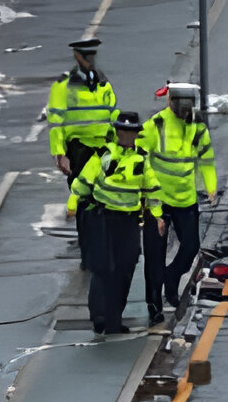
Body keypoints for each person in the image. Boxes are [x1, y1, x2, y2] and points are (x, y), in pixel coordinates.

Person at [67, 111, 153, 335]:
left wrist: (159, 213)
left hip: (129, 222)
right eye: (123, 132)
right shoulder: (103, 156)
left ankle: (114, 319)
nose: (127, 136)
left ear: (136, 134)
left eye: (131, 132)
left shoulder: (142, 159)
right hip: (104, 219)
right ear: (117, 133)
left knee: (125, 269)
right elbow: (82, 184)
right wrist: (73, 205)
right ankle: (100, 317)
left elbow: (151, 189)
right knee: (103, 268)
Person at [142, 82, 218, 326]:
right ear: (171, 103)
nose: (184, 112)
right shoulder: (156, 125)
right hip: (158, 201)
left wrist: (211, 187)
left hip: (185, 198)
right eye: (180, 107)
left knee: (191, 246)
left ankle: (171, 277)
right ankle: (154, 304)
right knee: (154, 255)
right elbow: (139, 159)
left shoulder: (197, 127)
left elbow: (206, 160)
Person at [47, 38, 118, 269]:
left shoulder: (103, 83)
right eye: (86, 56)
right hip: (79, 150)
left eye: (92, 56)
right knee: (84, 201)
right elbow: (56, 121)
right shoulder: (64, 85)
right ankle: (88, 253)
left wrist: (119, 147)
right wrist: (60, 154)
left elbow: (113, 114)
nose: (90, 60)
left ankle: (102, 248)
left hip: (103, 149)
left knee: (104, 199)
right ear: (77, 57)